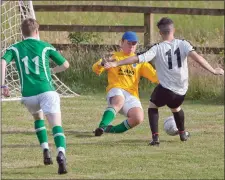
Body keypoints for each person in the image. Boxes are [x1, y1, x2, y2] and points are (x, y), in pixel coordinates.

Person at [104, 17, 224, 145]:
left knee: (152, 106)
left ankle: (155, 138)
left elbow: (137, 59)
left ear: (160, 33)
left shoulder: (157, 48)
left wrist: (117, 63)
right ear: (174, 30)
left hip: (166, 89)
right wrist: (213, 71)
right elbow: (198, 58)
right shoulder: (184, 44)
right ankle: (182, 134)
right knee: (176, 107)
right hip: (182, 91)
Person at [1, 18, 69, 174]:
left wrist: (3, 85)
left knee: (38, 118)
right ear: (37, 31)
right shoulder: (45, 46)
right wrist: (52, 71)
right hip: (47, 91)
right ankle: (60, 153)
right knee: (56, 125)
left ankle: (45, 149)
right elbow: (65, 65)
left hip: (28, 95)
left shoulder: (15, 48)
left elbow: (3, 62)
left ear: (22, 33)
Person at [92, 31, 158, 136]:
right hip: (116, 89)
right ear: (122, 42)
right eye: (129, 43)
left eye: (134, 43)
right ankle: (102, 126)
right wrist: (102, 64)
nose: (131, 46)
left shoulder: (140, 61)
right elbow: (96, 69)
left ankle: (110, 130)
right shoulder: (114, 57)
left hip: (132, 95)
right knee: (119, 100)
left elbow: (155, 77)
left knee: (138, 118)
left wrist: (169, 74)